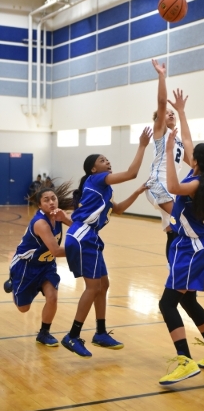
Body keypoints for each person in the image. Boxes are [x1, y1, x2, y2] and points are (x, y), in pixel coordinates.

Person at [61, 127, 152, 358]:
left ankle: (100, 332)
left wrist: (138, 192)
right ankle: (72, 335)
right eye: (103, 160)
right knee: (93, 287)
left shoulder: (105, 189)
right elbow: (131, 172)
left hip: (90, 237)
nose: (107, 161)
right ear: (94, 169)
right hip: (83, 235)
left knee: (104, 285)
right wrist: (142, 145)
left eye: (107, 159)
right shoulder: (97, 179)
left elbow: (118, 209)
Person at [158, 104, 204, 385]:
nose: (187, 154)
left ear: (195, 162)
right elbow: (188, 143)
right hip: (198, 246)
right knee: (187, 299)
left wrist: (167, 151)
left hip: (192, 249)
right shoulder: (202, 176)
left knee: (166, 304)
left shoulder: (195, 183)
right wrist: (182, 113)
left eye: (192, 156)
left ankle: (185, 361)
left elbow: (173, 188)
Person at [145, 59, 204, 261]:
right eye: (167, 114)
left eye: (172, 113)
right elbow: (162, 103)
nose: (169, 114)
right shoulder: (160, 133)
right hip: (158, 185)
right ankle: (181, 264)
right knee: (184, 219)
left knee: (173, 229)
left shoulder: (177, 141)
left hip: (171, 188)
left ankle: (175, 265)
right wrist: (161, 76)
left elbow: (193, 155)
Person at [4, 184, 73, 347]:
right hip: (26, 265)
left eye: (53, 198)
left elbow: (78, 228)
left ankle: (44, 333)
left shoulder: (59, 215)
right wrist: (83, 251)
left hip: (47, 265)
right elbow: (56, 251)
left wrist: (65, 219)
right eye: (46, 200)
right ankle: (13, 281)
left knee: (53, 297)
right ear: (40, 205)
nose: (51, 202)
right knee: (23, 309)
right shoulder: (40, 223)